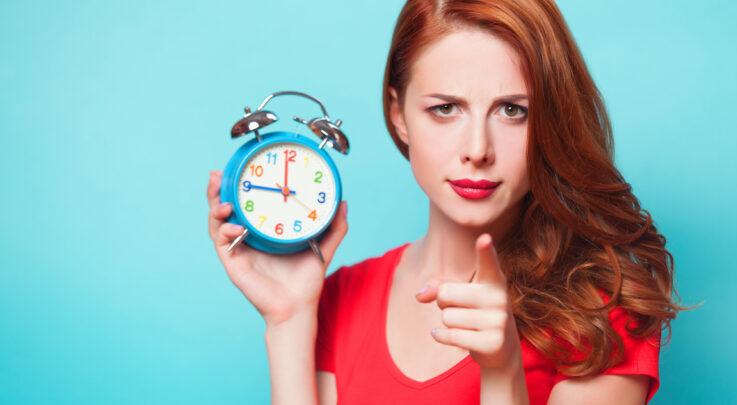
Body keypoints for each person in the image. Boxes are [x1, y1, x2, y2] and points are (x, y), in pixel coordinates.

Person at [206, 0, 681, 403]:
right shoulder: (338, 300)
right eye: (445, 109)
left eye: (513, 111)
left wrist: (502, 374)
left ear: (548, 122)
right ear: (399, 115)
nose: (477, 148)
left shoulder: (602, 312)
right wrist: (288, 321)